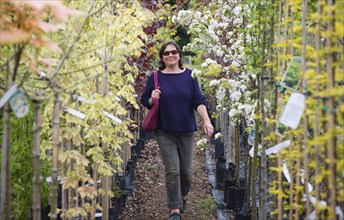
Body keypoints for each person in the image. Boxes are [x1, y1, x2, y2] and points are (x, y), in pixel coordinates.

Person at [140, 41, 214, 220]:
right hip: (164, 130)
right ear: (162, 58)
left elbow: (198, 100)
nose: (170, 55)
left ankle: (182, 197)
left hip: (186, 130)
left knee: (187, 173)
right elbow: (144, 100)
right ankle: (174, 209)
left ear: (179, 55)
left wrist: (206, 120)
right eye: (166, 53)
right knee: (172, 170)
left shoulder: (190, 76)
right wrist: (151, 98)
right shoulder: (156, 77)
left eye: (173, 52)